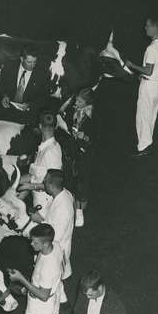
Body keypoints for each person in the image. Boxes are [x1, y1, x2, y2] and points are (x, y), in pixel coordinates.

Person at [7, 223, 63, 314]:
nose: (31, 244)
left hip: (39, 305)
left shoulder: (48, 267)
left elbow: (43, 296)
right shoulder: (55, 245)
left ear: (45, 244)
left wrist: (21, 279)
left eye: (35, 242)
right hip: (46, 296)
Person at [117, 17, 158, 158]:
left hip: (149, 85)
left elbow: (148, 70)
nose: (145, 28)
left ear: (155, 27)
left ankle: (142, 147)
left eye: (148, 26)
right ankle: (147, 142)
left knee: (142, 115)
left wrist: (131, 65)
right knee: (151, 114)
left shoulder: (151, 48)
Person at [0, 48, 53, 124]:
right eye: (29, 62)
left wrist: (30, 105)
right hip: (6, 108)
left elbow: (44, 96)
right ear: (22, 59)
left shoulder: (42, 73)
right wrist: (3, 96)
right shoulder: (9, 65)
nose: (33, 65)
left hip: (25, 114)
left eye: (34, 62)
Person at [57, 87, 94, 226]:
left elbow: (97, 138)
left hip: (85, 154)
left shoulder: (93, 116)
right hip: (72, 151)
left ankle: (79, 212)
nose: (76, 103)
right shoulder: (73, 111)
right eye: (76, 100)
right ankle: (71, 208)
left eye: (79, 102)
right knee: (71, 179)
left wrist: (84, 137)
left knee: (82, 183)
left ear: (87, 103)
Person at [31, 169, 74, 284]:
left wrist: (39, 220)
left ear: (51, 185)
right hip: (54, 247)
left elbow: (55, 236)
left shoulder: (63, 208)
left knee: (52, 281)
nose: (43, 182)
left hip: (57, 251)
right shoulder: (64, 194)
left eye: (45, 181)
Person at [18, 111, 62, 211]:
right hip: (37, 199)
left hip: (46, 205)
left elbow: (54, 185)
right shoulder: (42, 147)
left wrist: (30, 186)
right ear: (55, 127)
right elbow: (34, 176)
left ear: (40, 126)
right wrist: (15, 181)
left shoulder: (51, 152)